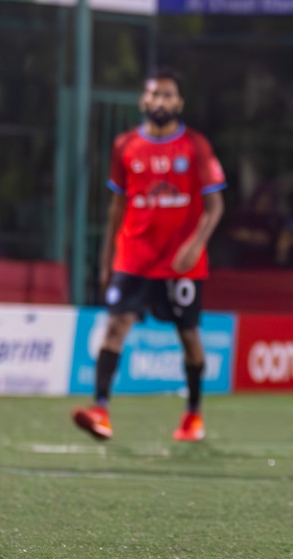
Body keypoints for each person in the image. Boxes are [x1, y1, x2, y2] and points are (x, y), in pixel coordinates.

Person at [71, 69, 226, 443]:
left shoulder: (195, 146)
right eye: (154, 95)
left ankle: (192, 415)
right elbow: (116, 206)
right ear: (143, 101)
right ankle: (101, 410)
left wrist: (195, 245)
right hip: (134, 257)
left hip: (180, 263)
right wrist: (107, 258)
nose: (161, 102)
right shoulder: (125, 146)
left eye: (168, 95)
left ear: (179, 103)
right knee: (115, 326)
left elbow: (215, 205)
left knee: (188, 335)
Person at [224, 183, 281, 268]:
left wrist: (250, 236)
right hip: (244, 262)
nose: (263, 205)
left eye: (267, 203)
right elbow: (236, 234)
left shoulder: (273, 220)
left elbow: (268, 239)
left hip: (267, 264)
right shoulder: (244, 216)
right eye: (261, 201)